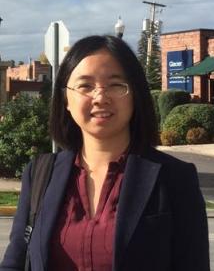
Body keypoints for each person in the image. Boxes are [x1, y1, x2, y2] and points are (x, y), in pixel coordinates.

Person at [0, 35, 210, 271]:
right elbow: (15, 263)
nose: (100, 97)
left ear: (135, 95)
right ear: (65, 99)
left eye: (116, 85)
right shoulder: (39, 175)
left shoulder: (175, 178)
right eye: (85, 86)